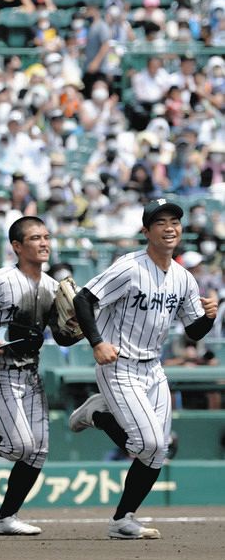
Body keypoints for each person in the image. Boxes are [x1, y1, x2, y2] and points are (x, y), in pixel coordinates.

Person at [68, 199, 218, 539]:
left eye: (175, 221)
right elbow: (83, 299)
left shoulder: (182, 277)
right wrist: (96, 342)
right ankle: (98, 414)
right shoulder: (129, 266)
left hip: (153, 368)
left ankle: (123, 520)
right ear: (146, 230)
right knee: (146, 444)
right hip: (117, 364)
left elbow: (194, 331)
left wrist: (209, 317)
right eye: (160, 222)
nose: (169, 227)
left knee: (157, 450)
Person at [0, 216, 83, 535]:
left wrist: (77, 327)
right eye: (35, 238)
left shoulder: (53, 287)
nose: (44, 243)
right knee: (19, 446)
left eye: (47, 237)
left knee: (37, 452)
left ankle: (7, 518)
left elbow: (62, 337)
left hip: (30, 374)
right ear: (16, 246)